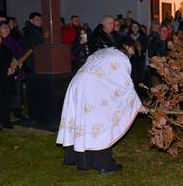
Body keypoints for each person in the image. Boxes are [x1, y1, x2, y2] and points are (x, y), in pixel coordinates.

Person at [56, 37, 146, 173]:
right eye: (133, 49)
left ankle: (82, 161)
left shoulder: (104, 51)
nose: (133, 53)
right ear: (126, 46)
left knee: (83, 122)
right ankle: (102, 164)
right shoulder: (122, 58)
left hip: (77, 84)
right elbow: (125, 85)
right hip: (92, 88)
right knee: (102, 123)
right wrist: (138, 105)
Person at [0, 21, 27, 120]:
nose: (6, 29)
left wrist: (20, 60)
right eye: (3, 28)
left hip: (16, 69)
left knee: (17, 91)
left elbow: (21, 52)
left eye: (8, 27)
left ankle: (17, 110)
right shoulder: (0, 42)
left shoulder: (13, 40)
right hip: (5, 71)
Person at [0, 34, 16, 129]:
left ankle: (5, 121)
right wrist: (5, 71)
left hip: (5, 80)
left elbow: (12, 60)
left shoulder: (5, 49)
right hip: (2, 76)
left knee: (5, 101)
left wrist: (13, 68)